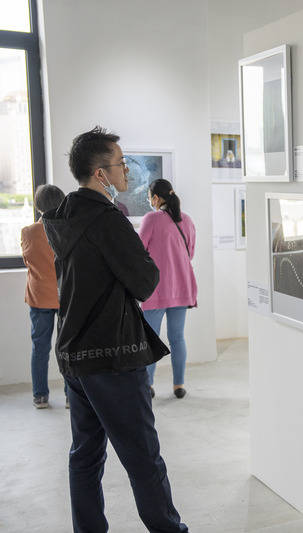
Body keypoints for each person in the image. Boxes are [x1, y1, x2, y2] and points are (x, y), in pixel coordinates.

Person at [42, 126, 188, 533]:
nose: (127, 170)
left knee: (85, 456)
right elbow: (145, 281)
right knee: (143, 457)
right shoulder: (108, 220)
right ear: (100, 174)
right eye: (121, 163)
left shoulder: (62, 217)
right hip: (112, 354)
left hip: (73, 352)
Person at [138, 178, 197, 399]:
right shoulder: (187, 220)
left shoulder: (151, 219)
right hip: (181, 287)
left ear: (156, 198)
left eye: (149, 197)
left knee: (150, 339)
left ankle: (148, 385)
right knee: (177, 338)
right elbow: (190, 253)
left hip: (156, 289)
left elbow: (139, 251)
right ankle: (179, 385)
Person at [21, 184, 66, 409]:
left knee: (40, 348)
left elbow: (27, 260)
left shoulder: (29, 232)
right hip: (65, 296)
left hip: (39, 297)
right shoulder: (68, 228)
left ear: (38, 205)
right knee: (67, 348)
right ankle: (71, 397)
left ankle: (40, 396)